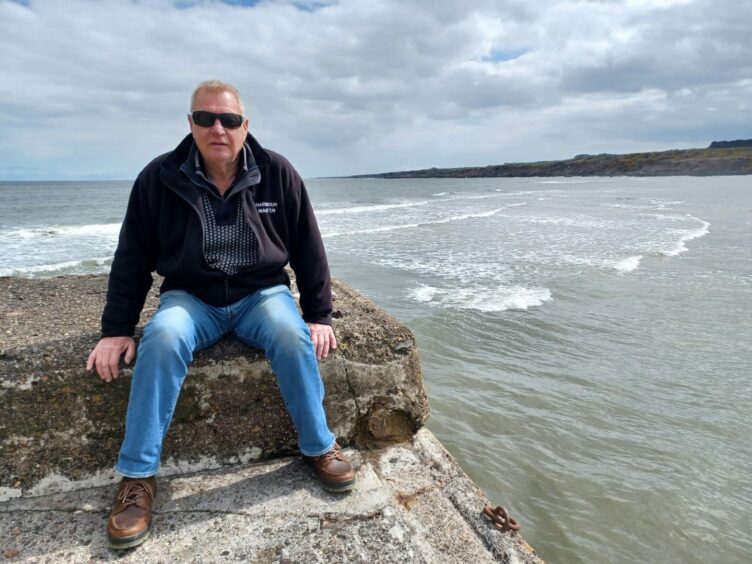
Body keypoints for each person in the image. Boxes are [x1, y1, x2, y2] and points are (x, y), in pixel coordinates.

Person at [86, 80, 355, 550]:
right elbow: (132, 256)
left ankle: (319, 446)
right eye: (206, 118)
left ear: (245, 126)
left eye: (229, 119)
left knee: (293, 338)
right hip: (192, 297)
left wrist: (320, 315)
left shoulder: (277, 172)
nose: (218, 128)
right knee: (163, 338)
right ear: (190, 124)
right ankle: (137, 478)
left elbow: (309, 248)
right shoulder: (160, 177)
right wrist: (115, 330)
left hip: (262, 293)